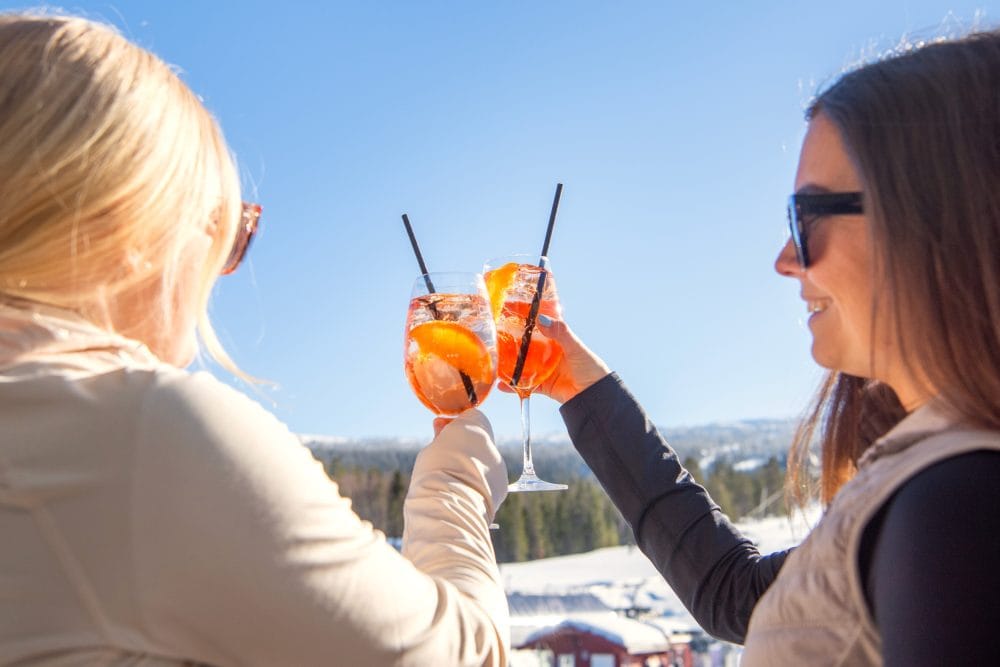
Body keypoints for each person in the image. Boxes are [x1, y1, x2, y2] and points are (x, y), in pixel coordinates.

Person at [0, 13, 509, 666]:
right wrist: (456, 482)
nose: (220, 271)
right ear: (127, 228)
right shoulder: (143, 433)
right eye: (224, 230)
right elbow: (465, 656)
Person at [524, 28, 1000, 666]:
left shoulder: (955, 502)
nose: (783, 261)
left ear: (937, 216)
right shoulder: (935, 477)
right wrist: (578, 384)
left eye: (806, 220)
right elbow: (734, 595)